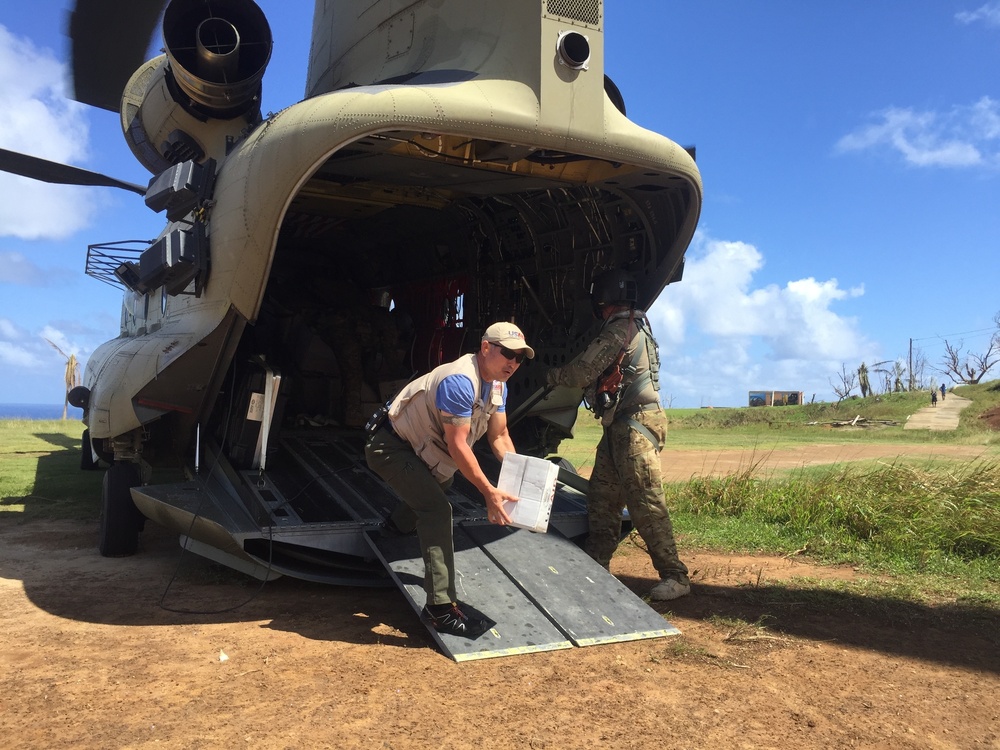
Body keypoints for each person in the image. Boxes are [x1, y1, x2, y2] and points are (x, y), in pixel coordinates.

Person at [365, 322, 534, 637]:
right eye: (507, 353)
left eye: (520, 358)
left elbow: (499, 435)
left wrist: (523, 476)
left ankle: (392, 529)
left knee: (437, 488)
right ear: (486, 348)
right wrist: (488, 492)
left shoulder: (498, 384)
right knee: (437, 510)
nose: (513, 363)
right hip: (391, 448)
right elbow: (458, 446)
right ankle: (440, 609)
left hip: (424, 449)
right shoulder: (460, 381)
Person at [545, 268, 691, 601]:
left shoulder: (617, 332)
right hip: (622, 426)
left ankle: (675, 576)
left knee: (646, 502)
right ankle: (596, 564)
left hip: (635, 428)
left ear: (604, 300)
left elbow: (582, 372)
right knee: (602, 499)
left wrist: (550, 374)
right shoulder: (638, 327)